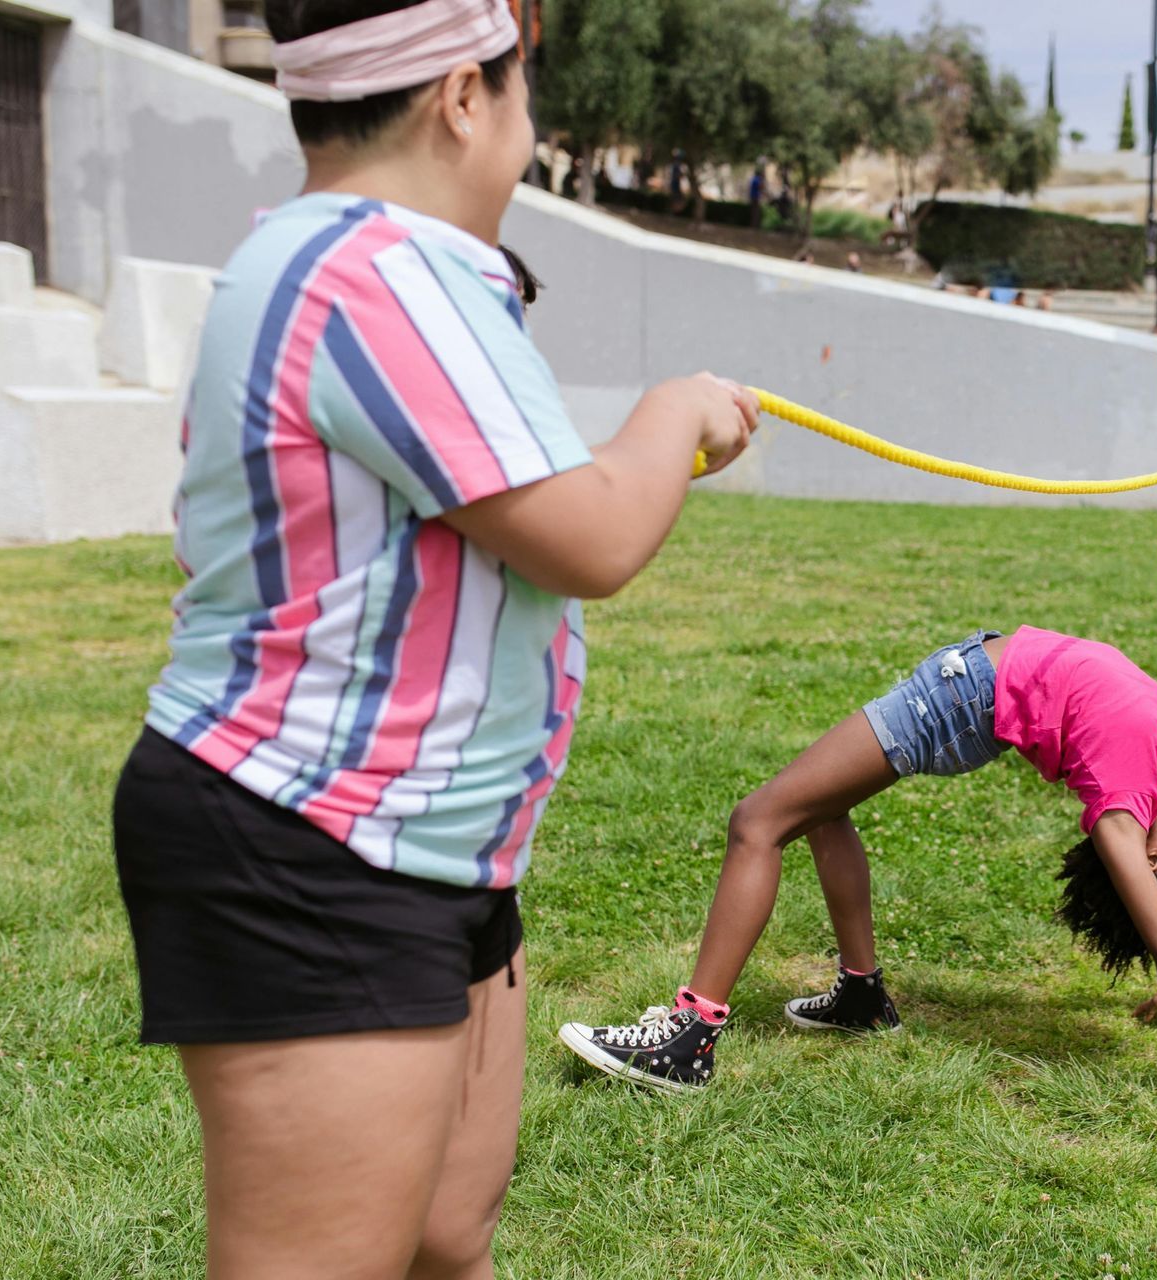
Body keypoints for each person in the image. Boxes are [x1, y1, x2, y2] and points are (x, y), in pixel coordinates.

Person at [108, 0, 756, 1273]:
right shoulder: (372, 273)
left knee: (449, 1235)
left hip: (430, 841)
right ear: (465, 95)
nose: (531, 122)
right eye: (525, 87)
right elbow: (596, 533)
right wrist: (675, 413)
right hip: (312, 841)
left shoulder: (368, 261)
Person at [558, 627, 1157, 1103]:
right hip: (963, 689)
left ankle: (689, 1038)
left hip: (954, 703)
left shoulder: (1123, 817)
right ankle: (862, 998)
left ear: (1154, 860)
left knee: (757, 821)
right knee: (818, 809)